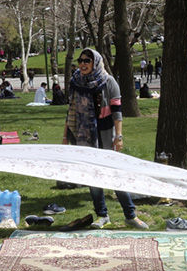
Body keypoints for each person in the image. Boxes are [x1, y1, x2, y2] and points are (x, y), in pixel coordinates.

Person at [62, 48, 148, 230]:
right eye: (81, 60)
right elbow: (71, 111)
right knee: (93, 176)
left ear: (96, 62)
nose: (83, 64)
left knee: (115, 174)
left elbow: (117, 112)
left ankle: (130, 215)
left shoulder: (108, 82)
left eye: (87, 60)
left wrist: (119, 136)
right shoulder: (76, 82)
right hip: (85, 134)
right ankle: (102, 215)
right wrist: (65, 136)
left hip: (106, 132)